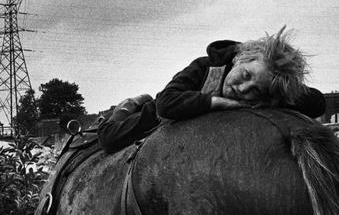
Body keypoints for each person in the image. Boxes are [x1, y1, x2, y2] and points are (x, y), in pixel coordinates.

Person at [97, 26, 326, 152]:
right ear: (241, 58)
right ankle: (128, 105)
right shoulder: (204, 66)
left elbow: (317, 102)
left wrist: (275, 99)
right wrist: (216, 102)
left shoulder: (270, 91)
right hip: (162, 115)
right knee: (108, 137)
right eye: (246, 75)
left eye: (256, 90)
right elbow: (166, 103)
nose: (243, 89)